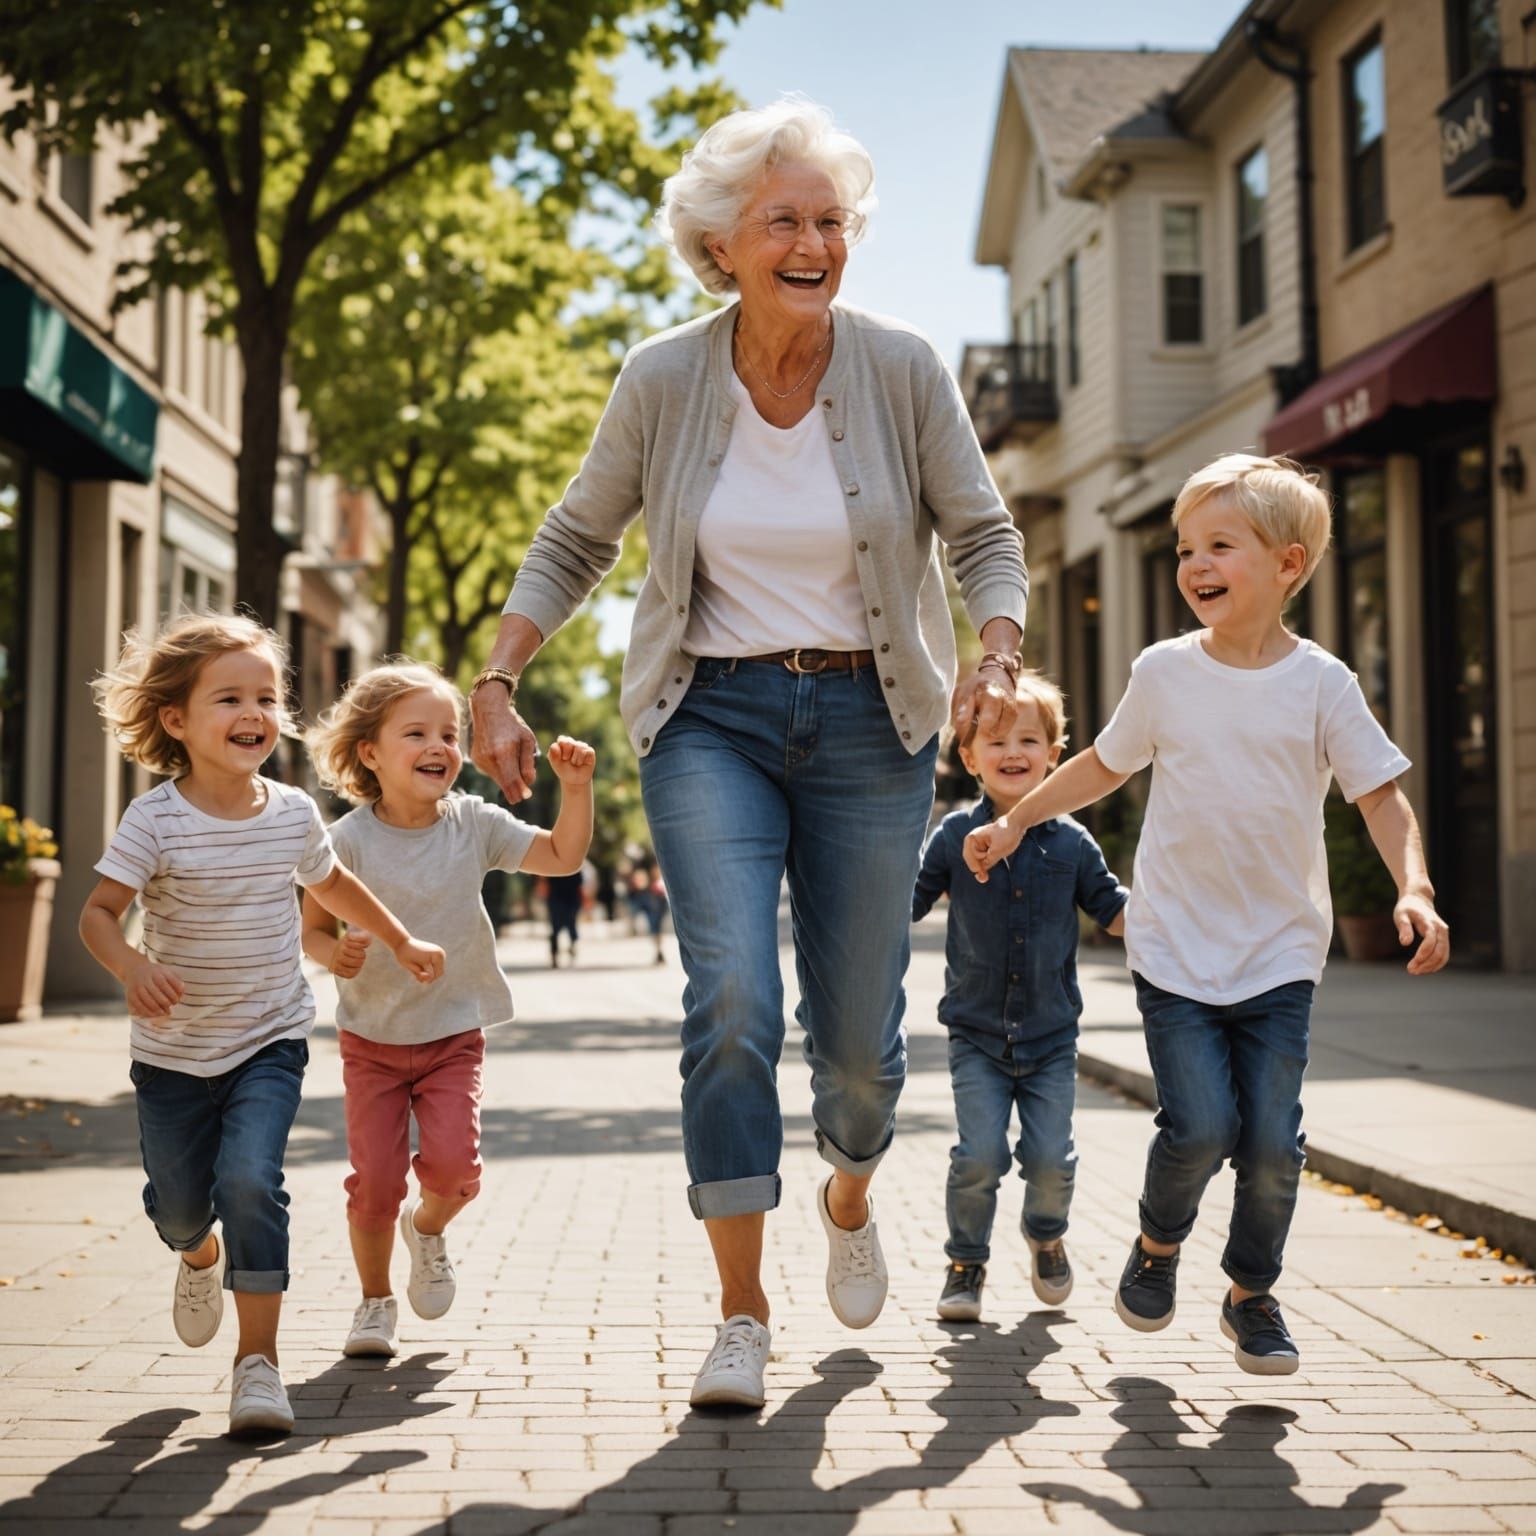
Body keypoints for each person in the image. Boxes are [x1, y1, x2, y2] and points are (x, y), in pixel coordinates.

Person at [469, 97, 1028, 1409]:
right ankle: (740, 1311)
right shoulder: (666, 378)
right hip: (706, 715)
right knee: (729, 999)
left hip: (869, 723)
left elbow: (985, 534)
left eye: (831, 220)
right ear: (722, 243)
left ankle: (846, 1185)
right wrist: (498, 677)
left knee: (861, 1051)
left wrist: (993, 653)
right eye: (783, 218)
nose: (813, 241)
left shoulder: (899, 368)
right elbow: (574, 538)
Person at [965, 453, 1450, 1375]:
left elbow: (1381, 795)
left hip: (1277, 955)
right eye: (1186, 547)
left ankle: (1251, 1293)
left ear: (1289, 565)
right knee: (1199, 1126)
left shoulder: (1323, 684)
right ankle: (1157, 1248)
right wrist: (1017, 821)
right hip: (1176, 948)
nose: (1195, 564)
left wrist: (1414, 887)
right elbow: (1103, 765)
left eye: (1220, 545)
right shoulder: (1164, 673)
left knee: (1271, 1143)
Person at [79, 615, 446, 1437]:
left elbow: (337, 885)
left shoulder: (289, 813)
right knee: (180, 1206)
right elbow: (98, 914)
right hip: (172, 1055)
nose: (255, 712)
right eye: (230, 698)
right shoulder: (155, 821)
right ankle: (197, 1256)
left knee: (251, 1180)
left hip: (268, 1042)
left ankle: (258, 1366)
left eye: (266, 697)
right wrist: (132, 968)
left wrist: (397, 938)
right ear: (176, 720)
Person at [302, 662, 594, 1359]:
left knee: (457, 1171)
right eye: (418, 733)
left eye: (450, 733)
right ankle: (374, 1304)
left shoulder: (472, 823)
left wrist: (576, 790)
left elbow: (561, 855)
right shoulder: (344, 842)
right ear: (370, 752)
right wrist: (331, 954)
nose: (440, 746)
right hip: (371, 1037)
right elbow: (312, 926)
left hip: (452, 1032)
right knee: (373, 1182)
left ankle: (427, 1229)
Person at [913, 672, 1127, 1324]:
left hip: (1051, 1036)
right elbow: (907, 902)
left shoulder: (1072, 843)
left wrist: (1175, 919)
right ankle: (966, 1262)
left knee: (1049, 1159)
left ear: (1055, 755)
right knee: (979, 1155)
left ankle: (1046, 1233)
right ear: (969, 756)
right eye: (996, 738)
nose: (1014, 751)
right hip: (975, 1032)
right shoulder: (953, 837)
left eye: (1030, 739)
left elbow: (1114, 912)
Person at [545, 870, 585, 967]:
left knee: (567, 927)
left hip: (563, 900)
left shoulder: (553, 865)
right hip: (562, 900)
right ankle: (557, 954)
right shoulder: (574, 865)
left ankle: (569, 951)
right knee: (560, 928)